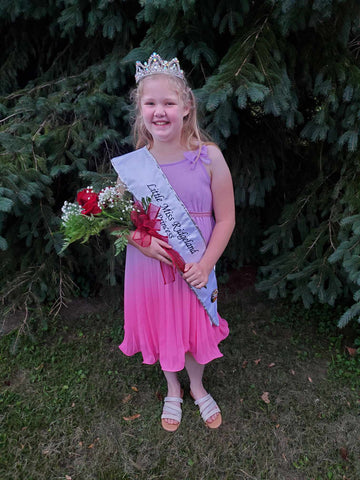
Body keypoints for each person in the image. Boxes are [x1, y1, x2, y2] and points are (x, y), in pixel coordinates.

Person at [113, 52, 235, 432]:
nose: (159, 112)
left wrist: (207, 263)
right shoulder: (134, 167)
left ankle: (196, 386)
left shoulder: (209, 157)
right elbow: (117, 224)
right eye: (151, 103)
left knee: (194, 326)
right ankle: (172, 389)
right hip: (149, 269)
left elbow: (227, 218)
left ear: (186, 107)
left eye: (168, 103)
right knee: (164, 327)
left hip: (196, 266)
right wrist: (140, 243)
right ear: (140, 110)